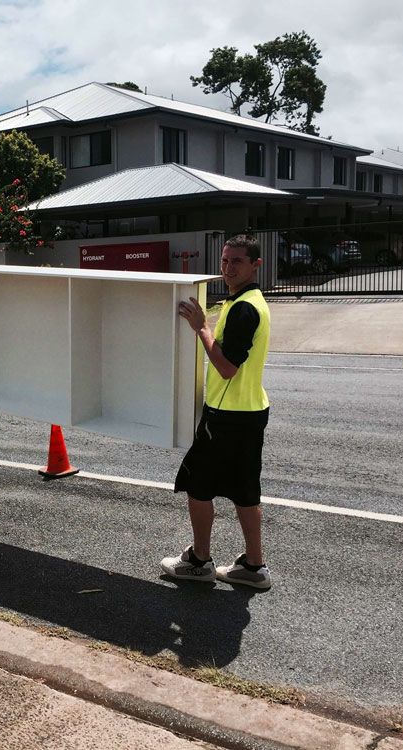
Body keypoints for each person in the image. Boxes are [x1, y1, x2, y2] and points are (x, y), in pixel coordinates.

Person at [161, 234, 272, 590]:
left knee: (198, 484)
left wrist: (201, 329)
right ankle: (254, 567)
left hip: (227, 417)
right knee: (245, 490)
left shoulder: (244, 308)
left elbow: (226, 367)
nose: (227, 268)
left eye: (236, 261)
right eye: (224, 261)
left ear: (256, 265)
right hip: (250, 411)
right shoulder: (247, 300)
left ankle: (199, 561)